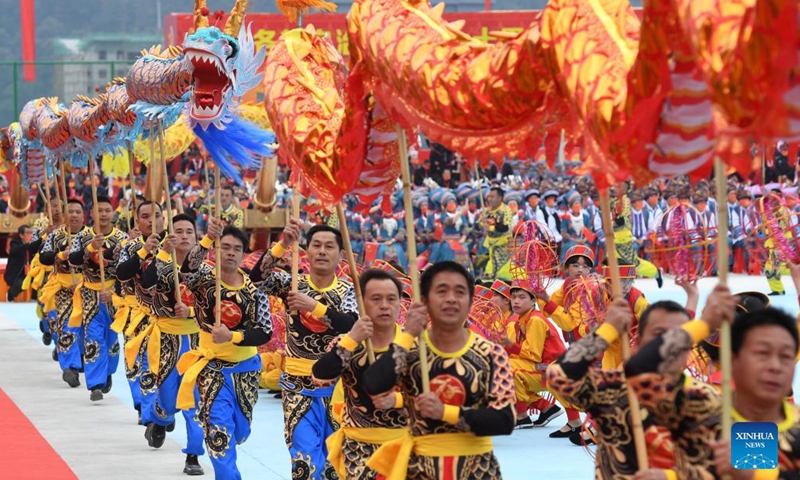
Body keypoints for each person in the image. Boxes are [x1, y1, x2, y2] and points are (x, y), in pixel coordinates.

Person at [363, 261, 515, 480]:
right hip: (419, 469)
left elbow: (504, 420)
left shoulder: (491, 354)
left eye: (460, 291)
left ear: (470, 301)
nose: (451, 298)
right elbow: (374, 384)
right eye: (442, 291)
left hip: (476, 470)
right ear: (424, 301)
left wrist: (445, 412)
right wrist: (407, 335)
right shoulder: (410, 351)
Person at [547, 287, 719, 479]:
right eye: (659, 334)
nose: (670, 343)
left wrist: (670, 476)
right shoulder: (613, 390)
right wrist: (608, 328)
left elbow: (725, 469)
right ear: (637, 342)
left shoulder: (704, 399)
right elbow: (559, 375)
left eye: (680, 336)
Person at [250, 220, 358, 480]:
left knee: (336, 464)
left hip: (339, 386)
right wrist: (283, 244)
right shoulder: (291, 283)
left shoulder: (349, 290)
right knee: (304, 462)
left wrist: (314, 307)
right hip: (297, 385)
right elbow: (255, 280)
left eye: (329, 246)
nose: (322, 251)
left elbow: (352, 324)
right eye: (316, 245)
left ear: (340, 255)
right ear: (306, 252)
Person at [178, 223, 272, 480]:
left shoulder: (255, 290)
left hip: (246, 370)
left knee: (239, 431)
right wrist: (208, 238)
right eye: (225, 247)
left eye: (237, 249)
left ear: (243, 255)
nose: (230, 253)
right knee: (218, 433)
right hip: (211, 369)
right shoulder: (202, 281)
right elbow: (186, 270)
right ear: (216, 252)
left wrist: (233, 336)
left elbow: (265, 332)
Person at [312, 269, 408, 480]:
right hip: (357, 450)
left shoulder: (414, 345)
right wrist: (352, 338)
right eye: (376, 299)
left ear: (400, 302)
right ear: (361, 302)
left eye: (391, 299)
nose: (384, 305)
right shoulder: (348, 342)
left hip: (403, 446)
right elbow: (319, 377)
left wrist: (398, 400)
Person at [133, 213, 205, 475]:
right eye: (179, 231)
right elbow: (144, 286)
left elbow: (219, 307)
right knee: (168, 396)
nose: (184, 236)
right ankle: (160, 419)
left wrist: (193, 312)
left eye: (189, 231)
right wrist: (163, 252)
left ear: (197, 238)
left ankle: (194, 455)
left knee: (195, 400)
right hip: (165, 340)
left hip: (199, 343)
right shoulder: (161, 264)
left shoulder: (207, 270)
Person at [502, 279, 581, 436]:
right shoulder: (521, 320)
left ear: (533, 300)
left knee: (507, 367)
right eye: (514, 297)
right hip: (547, 367)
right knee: (504, 365)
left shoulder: (535, 320)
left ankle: (523, 415)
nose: (516, 301)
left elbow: (533, 354)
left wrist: (509, 345)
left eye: (522, 297)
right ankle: (545, 409)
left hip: (552, 369)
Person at [68, 195, 127, 402]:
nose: (103, 214)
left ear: (112, 213)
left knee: (112, 340)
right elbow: (73, 260)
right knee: (93, 337)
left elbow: (128, 270)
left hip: (114, 296)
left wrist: (115, 293)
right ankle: (95, 384)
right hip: (90, 295)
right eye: (99, 210)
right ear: (91, 213)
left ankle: (108, 372)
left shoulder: (122, 237)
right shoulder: (83, 236)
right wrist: (91, 247)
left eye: (106, 210)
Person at [115, 201, 165, 426]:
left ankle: (161, 408)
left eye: (156, 215)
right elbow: (122, 274)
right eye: (145, 216)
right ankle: (148, 412)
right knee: (138, 364)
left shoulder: (173, 244)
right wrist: (145, 251)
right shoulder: (130, 246)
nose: (151, 220)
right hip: (137, 314)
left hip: (168, 317)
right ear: (137, 221)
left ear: (164, 218)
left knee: (164, 366)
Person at [38, 199, 88, 388]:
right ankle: (70, 366)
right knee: (66, 325)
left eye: (78, 211)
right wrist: (61, 255)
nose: (74, 215)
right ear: (65, 214)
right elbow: (44, 257)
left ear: (84, 215)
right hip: (63, 288)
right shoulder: (56, 236)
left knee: (88, 328)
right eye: (71, 211)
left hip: (87, 288)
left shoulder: (90, 236)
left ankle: (86, 359)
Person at [535, 245, 597, 344]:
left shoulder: (589, 290)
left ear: (589, 270)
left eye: (585, 267)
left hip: (590, 346)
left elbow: (569, 323)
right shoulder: (568, 284)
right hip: (575, 343)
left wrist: (546, 299)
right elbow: (547, 311)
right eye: (575, 265)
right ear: (567, 267)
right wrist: (540, 293)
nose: (580, 270)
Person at [480, 187, 514, 281]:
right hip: (491, 246)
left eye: (492, 196)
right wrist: (482, 226)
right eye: (489, 196)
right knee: (490, 271)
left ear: (500, 198)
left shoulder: (506, 210)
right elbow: (477, 227)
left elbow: (504, 227)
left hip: (503, 246)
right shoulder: (486, 211)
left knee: (503, 272)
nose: (489, 199)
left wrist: (490, 226)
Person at [6, 225, 32, 301]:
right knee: (21, 282)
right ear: (21, 235)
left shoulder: (32, 243)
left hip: (29, 271)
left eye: (31, 232)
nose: (30, 234)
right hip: (15, 273)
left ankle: (34, 297)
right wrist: (28, 245)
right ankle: (10, 295)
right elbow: (15, 250)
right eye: (28, 232)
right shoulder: (14, 242)